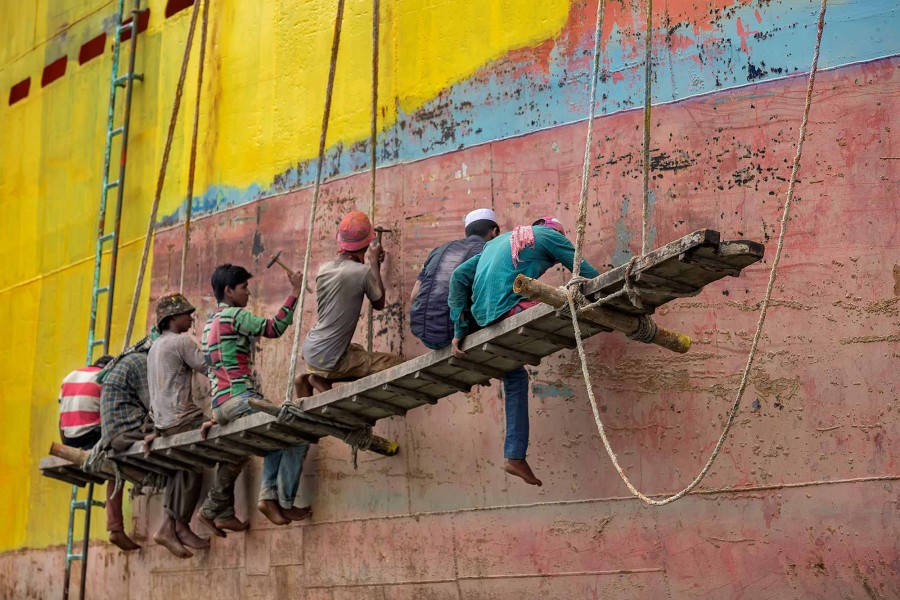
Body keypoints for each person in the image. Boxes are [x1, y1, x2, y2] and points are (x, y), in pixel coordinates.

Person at [448, 217, 600, 487]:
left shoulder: (498, 241)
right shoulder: (552, 236)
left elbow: (459, 276)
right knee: (569, 309)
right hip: (510, 311)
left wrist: (459, 329)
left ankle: (514, 456)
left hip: (483, 320)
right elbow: (588, 275)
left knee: (515, 377)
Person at [198, 263, 310, 533]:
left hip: (222, 406)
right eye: (244, 288)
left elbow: (214, 369)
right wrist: (294, 292)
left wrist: (216, 416)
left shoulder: (207, 325)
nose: (248, 293)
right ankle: (278, 498)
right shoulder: (235, 316)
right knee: (296, 433)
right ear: (229, 291)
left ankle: (271, 498)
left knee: (271, 439)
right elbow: (274, 328)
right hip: (241, 400)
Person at [297, 210, 403, 397]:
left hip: (312, 350)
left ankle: (315, 380)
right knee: (395, 364)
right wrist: (373, 264)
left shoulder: (324, 269)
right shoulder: (361, 272)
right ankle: (323, 380)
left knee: (358, 352)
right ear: (368, 244)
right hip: (329, 358)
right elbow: (378, 303)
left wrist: (368, 264)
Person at [146, 292, 210, 558]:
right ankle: (183, 524)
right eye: (187, 314)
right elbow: (208, 366)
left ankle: (170, 527)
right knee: (196, 461)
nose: (191, 317)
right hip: (182, 419)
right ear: (172, 319)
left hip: (162, 423)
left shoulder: (154, 347)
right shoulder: (181, 341)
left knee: (182, 466)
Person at [409, 208, 501, 350]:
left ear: (467, 232)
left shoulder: (439, 250)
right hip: (454, 332)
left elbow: (414, 296)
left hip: (424, 332)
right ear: (495, 232)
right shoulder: (487, 251)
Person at [98, 335, 156, 551]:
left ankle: (114, 526)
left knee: (116, 468)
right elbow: (153, 404)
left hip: (109, 434)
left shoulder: (121, 365)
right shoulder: (141, 362)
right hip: (125, 429)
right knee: (168, 434)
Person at [58, 355, 113, 449]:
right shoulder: (106, 376)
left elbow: (61, 414)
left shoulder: (70, 376)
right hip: (92, 438)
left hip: (69, 439)